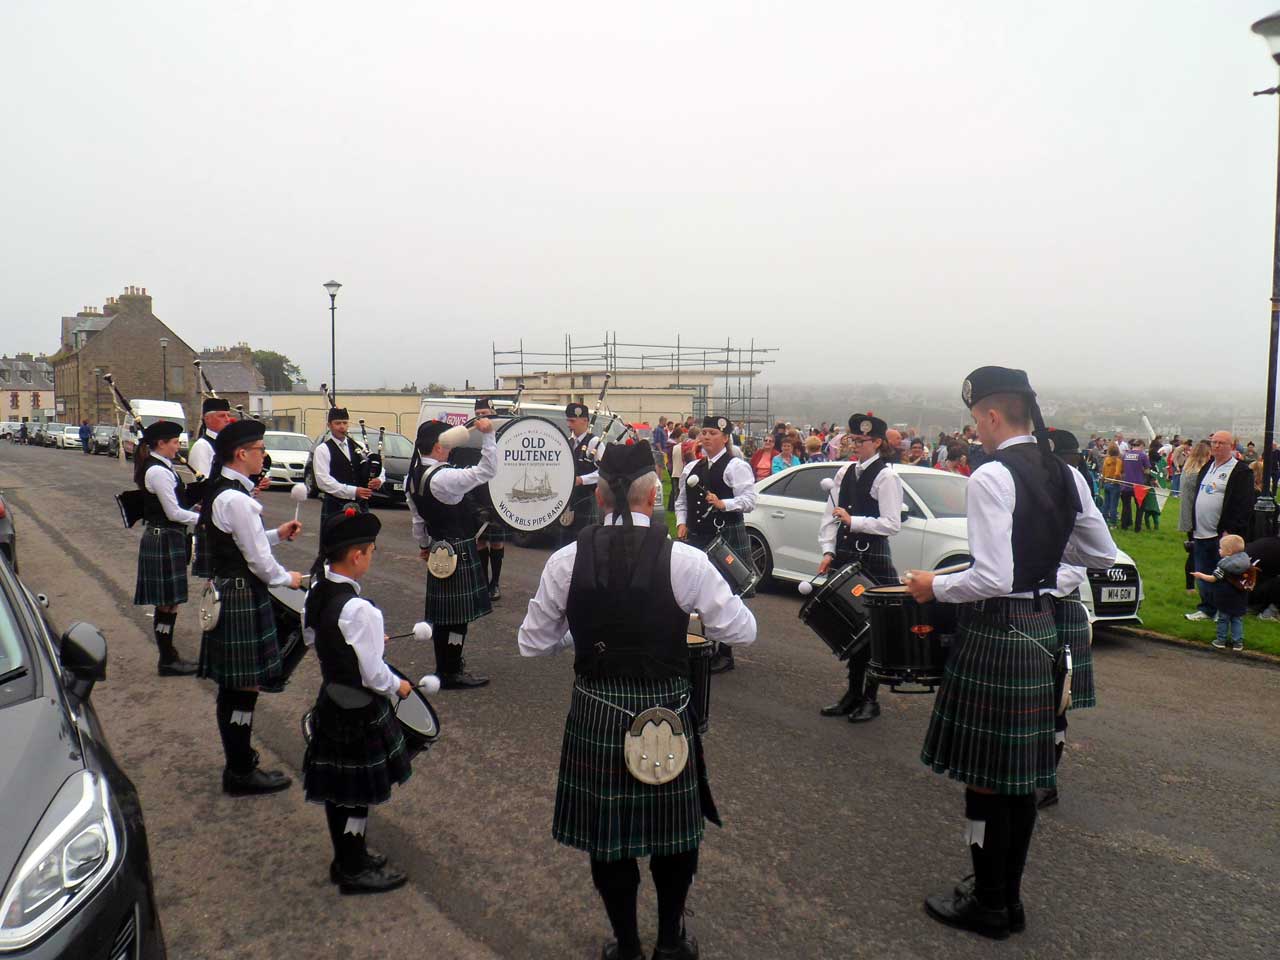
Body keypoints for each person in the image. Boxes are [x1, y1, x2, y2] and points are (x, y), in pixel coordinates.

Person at [517, 441, 757, 960]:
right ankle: (670, 942)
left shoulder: (565, 559)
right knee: (673, 835)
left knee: (610, 838)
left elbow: (532, 642)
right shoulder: (686, 560)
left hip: (597, 712)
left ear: (601, 496)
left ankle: (626, 947)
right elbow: (743, 630)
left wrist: (576, 635)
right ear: (656, 495)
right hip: (666, 711)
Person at [905, 367, 1116, 940]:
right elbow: (1105, 555)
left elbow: (992, 576)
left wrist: (934, 586)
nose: (976, 431)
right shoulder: (1067, 474)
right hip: (1042, 627)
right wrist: (1050, 578)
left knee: (983, 778)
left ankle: (990, 903)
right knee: (1019, 779)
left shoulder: (992, 475)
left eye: (977, 421)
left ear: (993, 416)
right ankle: (1005, 898)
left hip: (999, 632)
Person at [301, 507, 414, 894]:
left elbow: (319, 640)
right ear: (356, 555)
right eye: (372, 551)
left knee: (341, 790)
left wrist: (361, 648)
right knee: (356, 793)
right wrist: (397, 685)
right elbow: (373, 674)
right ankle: (351, 868)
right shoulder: (360, 609)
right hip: (358, 708)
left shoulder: (318, 592)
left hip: (331, 698)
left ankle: (351, 856)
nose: (372, 557)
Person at [197, 418, 304, 795]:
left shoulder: (223, 493)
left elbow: (244, 545)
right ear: (242, 454)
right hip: (243, 594)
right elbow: (258, 563)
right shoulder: (237, 500)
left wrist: (277, 533)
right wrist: (287, 579)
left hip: (231, 590)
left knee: (237, 687)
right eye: (259, 449)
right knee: (243, 688)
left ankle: (240, 761)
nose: (264, 455)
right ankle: (240, 771)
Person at [817, 413, 903, 724]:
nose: (855, 445)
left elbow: (892, 524)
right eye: (853, 440)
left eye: (861, 441)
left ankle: (870, 699)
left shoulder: (887, 477)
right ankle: (852, 694)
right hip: (844, 555)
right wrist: (828, 550)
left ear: (878, 442)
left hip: (873, 558)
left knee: (873, 632)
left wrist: (856, 522)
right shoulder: (844, 472)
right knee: (849, 628)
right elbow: (829, 515)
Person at [406, 417, 495, 688]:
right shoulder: (443, 477)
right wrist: (489, 435)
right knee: (458, 617)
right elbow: (487, 470)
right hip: (457, 549)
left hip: (437, 548)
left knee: (445, 615)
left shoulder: (413, 477)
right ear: (438, 446)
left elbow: (418, 520)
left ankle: (447, 665)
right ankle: (451, 670)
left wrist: (423, 546)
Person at [1036, 429, 1097, 810]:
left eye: (1067, 462)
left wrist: (1039, 584)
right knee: (1031, 698)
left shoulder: (1077, 490)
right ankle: (1026, 772)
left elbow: (1084, 558)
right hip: (1031, 599)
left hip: (1057, 601)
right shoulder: (1030, 491)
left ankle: (1048, 780)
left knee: (1056, 700)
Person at [675, 416, 758, 674]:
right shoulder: (691, 468)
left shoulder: (735, 466)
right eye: (704, 433)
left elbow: (750, 499)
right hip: (698, 537)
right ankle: (702, 646)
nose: (707, 437)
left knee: (725, 592)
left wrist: (725, 504)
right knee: (696, 592)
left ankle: (725, 652)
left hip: (726, 537)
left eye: (712, 433)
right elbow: (681, 501)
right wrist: (681, 523)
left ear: (725, 437)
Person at [131, 420, 200, 676]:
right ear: (161, 443)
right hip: (163, 537)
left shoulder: (164, 467)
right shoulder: (157, 471)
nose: (178, 447)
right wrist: (203, 519)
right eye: (174, 443)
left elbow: (173, 506)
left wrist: (194, 509)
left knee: (170, 604)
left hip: (168, 537)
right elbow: (172, 513)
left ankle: (169, 656)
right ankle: (167, 659)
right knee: (165, 603)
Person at [1185, 431, 1254, 623]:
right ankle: (1206, 608)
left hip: (1222, 535)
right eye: (1213, 442)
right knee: (1203, 572)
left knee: (1223, 575)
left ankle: (1223, 611)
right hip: (1201, 531)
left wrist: (1231, 530)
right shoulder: (1207, 466)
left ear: (1231, 446)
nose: (1216, 446)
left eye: (1221, 443)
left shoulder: (1240, 471)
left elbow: (1244, 503)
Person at [452, 398, 508, 601]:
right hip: (478, 494)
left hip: (500, 493)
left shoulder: (503, 431)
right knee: (481, 541)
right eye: (478, 413)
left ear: (492, 411)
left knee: (497, 542)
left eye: (485, 412)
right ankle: (483, 581)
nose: (481, 417)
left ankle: (496, 583)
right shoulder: (469, 433)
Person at [314, 406, 384, 526]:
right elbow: (323, 481)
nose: (342, 427)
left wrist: (379, 479)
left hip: (360, 505)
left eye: (345, 423)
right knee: (336, 543)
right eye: (337, 423)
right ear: (329, 425)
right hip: (335, 505)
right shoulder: (323, 449)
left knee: (362, 542)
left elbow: (377, 467)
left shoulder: (359, 446)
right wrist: (353, 491)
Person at [1192, 534, 1253, 651]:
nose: (1219, 550)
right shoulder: (1245, 563)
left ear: (1229, 552)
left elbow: (1213, 578)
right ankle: (1238, 642)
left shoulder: (1224, 565)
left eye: (1221, 548)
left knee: (1223, 618)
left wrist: (1200, 575)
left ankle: (1221, 640)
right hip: (1240, 597)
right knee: (1237, 619)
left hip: (1225, 597)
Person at [562, 402, 603, 546]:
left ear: (585, 420)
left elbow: (603, 471)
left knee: (585, 543)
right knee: (567, 542)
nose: (569, 424)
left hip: (587, 499)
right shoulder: (569, 442)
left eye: (572, 421)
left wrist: (582, 480)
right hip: (570, 500)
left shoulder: (594, 442)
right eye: (567, 420)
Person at [1118, 440, 1150, 532]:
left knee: (1126, 506)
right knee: (1140, 507)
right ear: (1141, 445)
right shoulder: (1143, 456)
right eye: (1143, 447)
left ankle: (1124, 525)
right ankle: (1137, 528)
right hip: (1139, 484)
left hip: (1126, 483)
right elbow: (1147, 471)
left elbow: (1123, 469)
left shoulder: (1125, 455)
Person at [1100, 444, 1123, 525]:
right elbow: (1117, 473)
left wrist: (1103, 481)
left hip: (1106, 483)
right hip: (1114, 484)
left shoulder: (1106, 459)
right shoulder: (1118, 461)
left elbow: (1102, 471)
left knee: (1106, 504)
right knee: (1114, 505)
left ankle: (1104, 521)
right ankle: (1113, 523)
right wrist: (1118, 480)